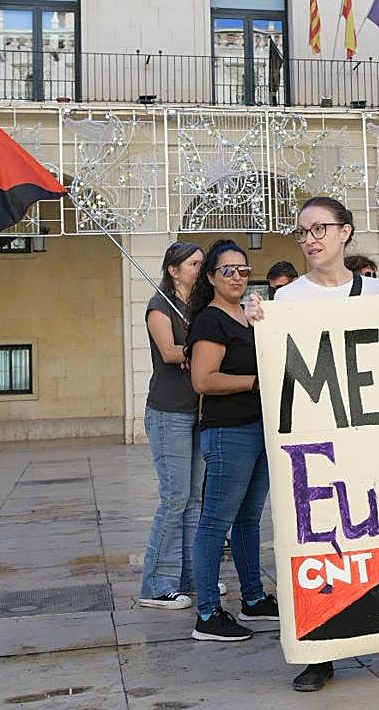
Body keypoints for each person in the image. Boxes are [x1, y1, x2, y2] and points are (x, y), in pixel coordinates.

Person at [247, 197, 379, 692]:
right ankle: (322, 651)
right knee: (323, 540)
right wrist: (259, 322)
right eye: (302, 232)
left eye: (319, 229)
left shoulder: (374, 289)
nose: (310, 239)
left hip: (374, 437)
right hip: (318, 444)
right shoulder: (289, 299)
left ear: (345, 232)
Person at [186, 239, 279, 642]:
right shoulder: (211, 320)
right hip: (228, 433)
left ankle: (253, 599)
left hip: (259, 428)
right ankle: (207, 613)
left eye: (243, 270)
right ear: (211, 276)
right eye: (228, 270)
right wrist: (257, 382)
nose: (237, 277)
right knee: (215, 522)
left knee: (248, 520)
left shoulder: (245, 316)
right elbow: (203, 380)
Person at [137, 241, 206, 609]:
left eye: (201, 263)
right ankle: (156, 584)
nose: (200, 268)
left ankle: (190, 577)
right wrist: (209, 349)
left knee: (194, 500)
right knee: (175, 498)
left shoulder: (198, 306)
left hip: (198, 411)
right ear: (173, 270)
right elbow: (168, 351)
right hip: (168, 413)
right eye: (193, 264)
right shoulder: (159, 307)